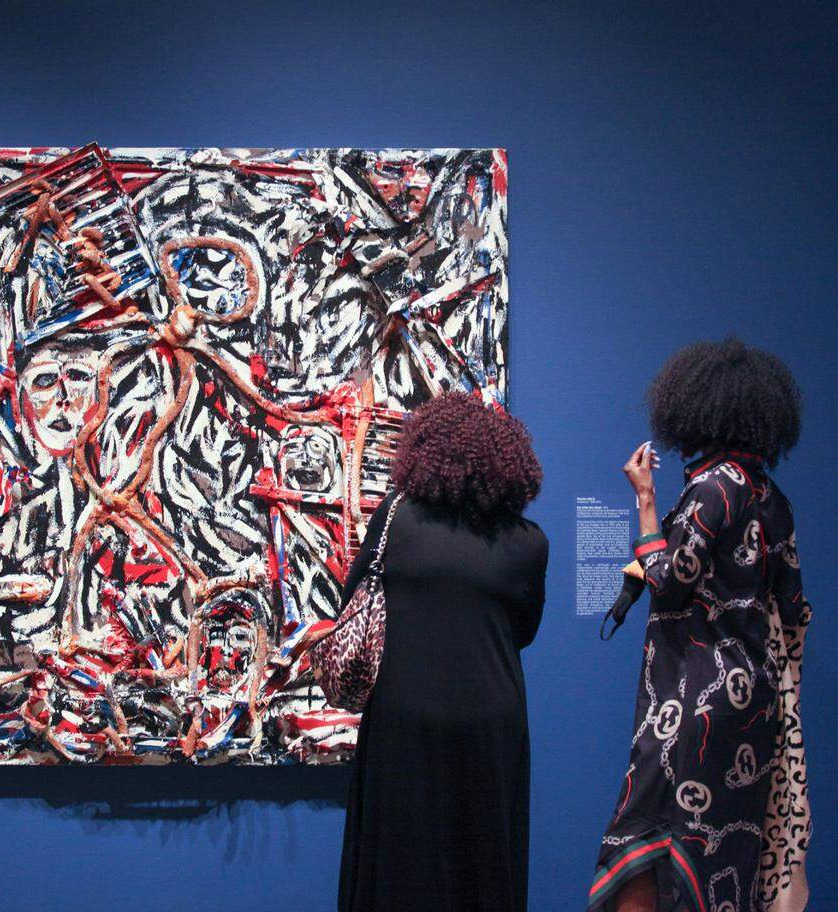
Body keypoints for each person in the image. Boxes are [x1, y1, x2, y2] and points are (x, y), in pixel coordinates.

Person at [588, 339, 811, 912]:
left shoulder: (712, 488)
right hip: (755, 707)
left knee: (649, 835)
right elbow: (794, 608)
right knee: (726, 856)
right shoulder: (773, 497)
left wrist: (643, 501)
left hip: (691, 699)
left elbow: (669, 578)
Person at [337, 391, 548, 912]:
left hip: (403, 718)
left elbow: (353, 599)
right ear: (509, 464)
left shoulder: (396, 519)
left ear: (424, 452)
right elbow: (524, 632)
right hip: (491, 726)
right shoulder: (529, 543)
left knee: (398, 864)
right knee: (483, 864)